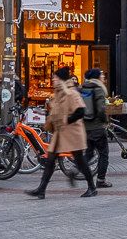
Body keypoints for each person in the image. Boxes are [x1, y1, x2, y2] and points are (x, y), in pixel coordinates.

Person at [29, 67, 95, 199]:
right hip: (60, 133)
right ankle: (41, 189)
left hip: (72, 132)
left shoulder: (72, 93)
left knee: (80, 160)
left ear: (61, 80)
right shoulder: (58, 94)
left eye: (55, 78)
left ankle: (92, 187)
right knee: (50, 160)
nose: (53, 80)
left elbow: (81, 111)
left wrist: (66, 120)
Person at [80, 69, 112, 187]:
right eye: (102, 75)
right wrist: (105, 121)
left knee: (89, 153)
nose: (103, 76)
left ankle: (75, 170)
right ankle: (101, 180)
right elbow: (101, 110)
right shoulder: (98, 89)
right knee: (104, 154)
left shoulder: (83, 88)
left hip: (86, 127)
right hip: (98, 127)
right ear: (97, 77)